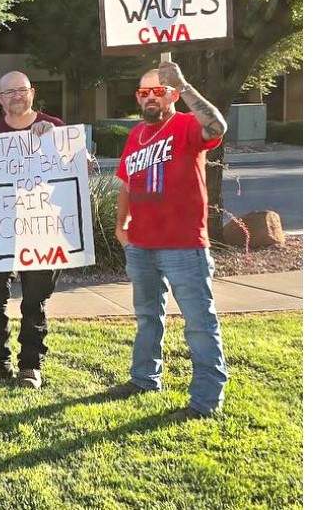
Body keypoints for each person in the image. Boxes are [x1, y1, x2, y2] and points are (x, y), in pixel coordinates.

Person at [112, 59, 229, 419]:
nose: (150, 98)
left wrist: (184, 84)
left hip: (184, 245)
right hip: (141, 244)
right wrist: (120, 225)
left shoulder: (187, 125)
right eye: (144, 92)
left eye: (159, 91)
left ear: (173, 95)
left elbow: (217, 126)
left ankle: (205, 401)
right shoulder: (135, 134)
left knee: (199, 324)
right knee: (148, 316)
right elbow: (126, 182)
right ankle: (144, 378)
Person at [0, 71, 64, 389]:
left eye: (21, 90)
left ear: (32, 93)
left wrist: (52, 142)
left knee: (34, 302)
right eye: (9, 92)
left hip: (41, 230)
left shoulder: (54, 128)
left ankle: (30, 366)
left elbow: (75, 172)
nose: (16, 96)